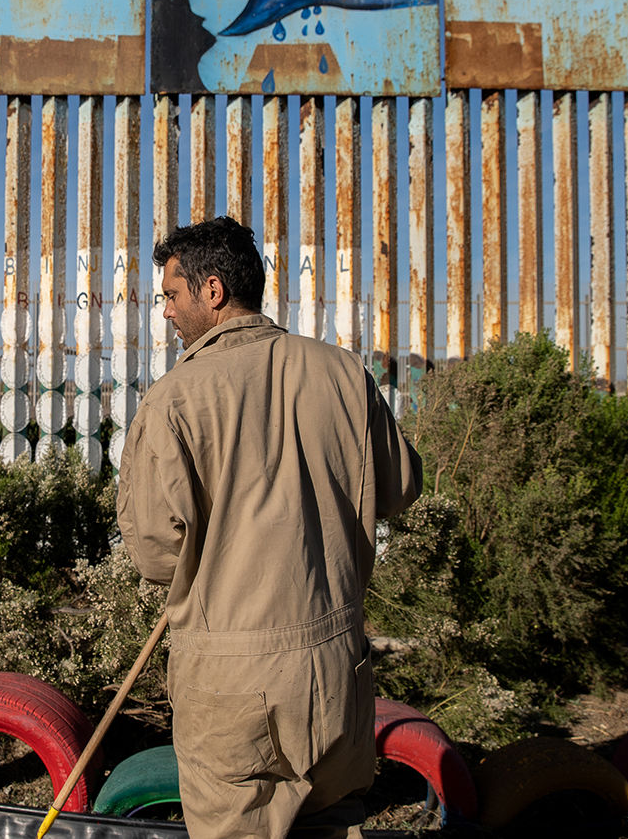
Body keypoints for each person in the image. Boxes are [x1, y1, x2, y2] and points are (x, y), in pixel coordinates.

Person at [117, 216, 422, 839]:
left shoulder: (175, 399)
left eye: (171, 295)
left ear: (212, 291)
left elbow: (153, 552)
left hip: (233, 690)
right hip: (336, 671)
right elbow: (399, 488)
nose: (167, 312)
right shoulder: (343, 373)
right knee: (333, 825)